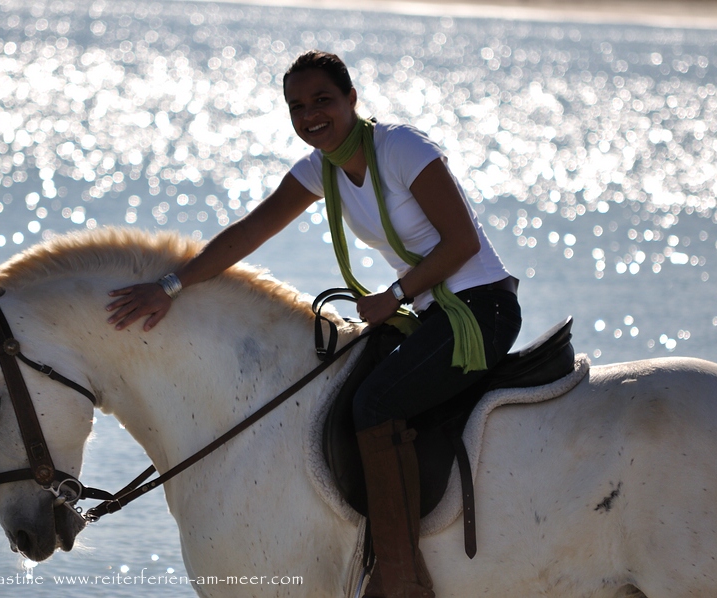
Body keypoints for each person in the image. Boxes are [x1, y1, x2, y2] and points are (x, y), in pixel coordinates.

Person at [106, 50, 522, 598]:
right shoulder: (319, 170)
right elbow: (245, 235)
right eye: (297, 106)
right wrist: (170, 287)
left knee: (375, 405)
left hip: (480, 309)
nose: (310, 115)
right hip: (431, 312)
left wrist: (395, 293)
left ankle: (398, 573)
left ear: (351, 99)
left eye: (322, 100)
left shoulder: (401, 148)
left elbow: (463, 242)